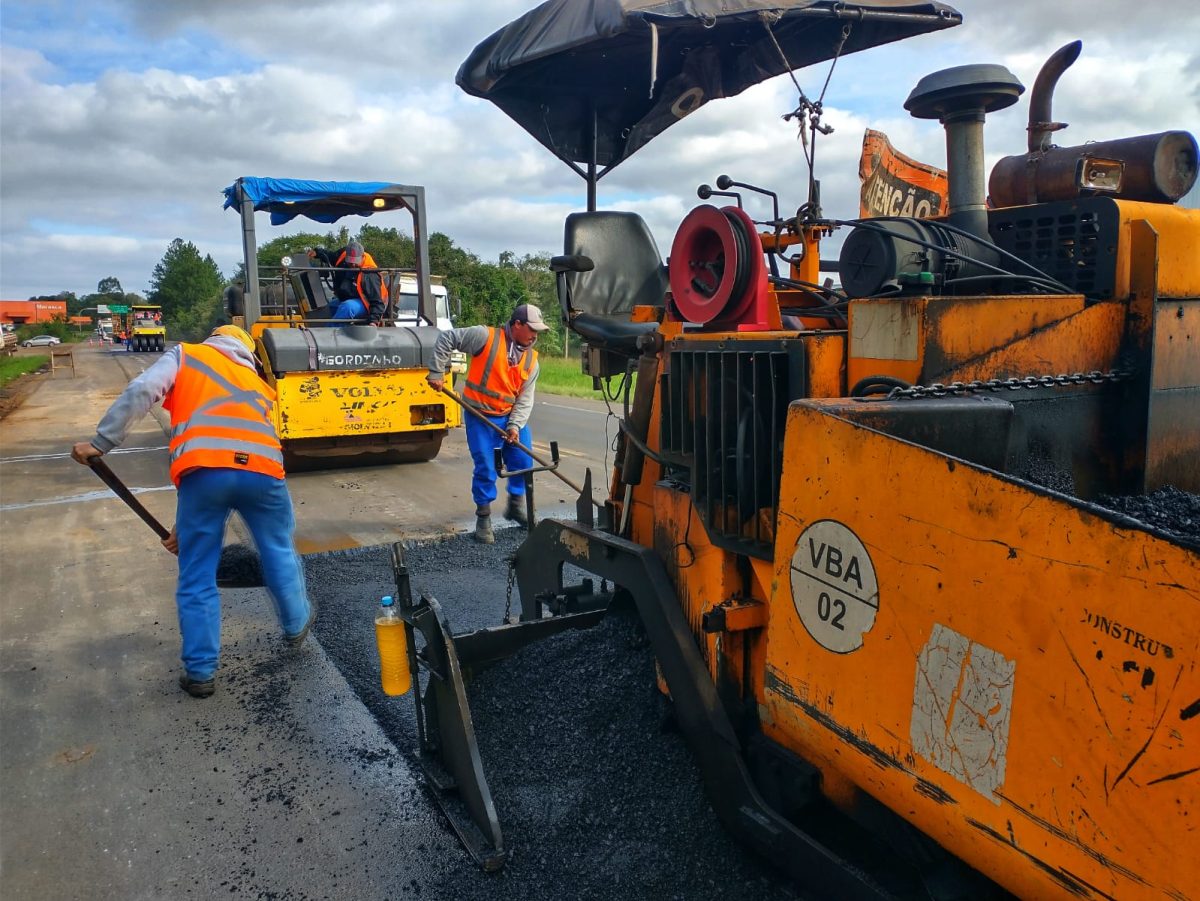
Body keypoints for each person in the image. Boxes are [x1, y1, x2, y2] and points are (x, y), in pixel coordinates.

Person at [70, 324, 314, 699]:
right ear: (247, 350)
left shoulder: (189, 354)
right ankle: (297, 625)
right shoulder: (258, 383)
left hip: (205, 474)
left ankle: (200, 672)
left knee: (198, 571)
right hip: (265, 475)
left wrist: (102, 442)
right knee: (278, 548)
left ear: (214, 338)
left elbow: (143, 389)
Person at [426, 303, 550, 543]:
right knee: (486, 466)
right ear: (517, 325)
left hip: (509, 416)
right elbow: (447, 338)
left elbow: (524, 400)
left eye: (538, 330)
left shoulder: (532, 361)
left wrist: (514, 427)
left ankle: (515, 505)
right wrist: (436, 372)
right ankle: (483, 517)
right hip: (480, 416)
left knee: (523, 460)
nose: (535, 335)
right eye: (532, 329)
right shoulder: (485, 337)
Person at [309, 240, 387, 322]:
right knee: (332, 305)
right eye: (350, 261)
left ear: (362, 257)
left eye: (355, 261)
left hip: (367, 302)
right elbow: (331, 256)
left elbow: (377, 301)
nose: (353, 265)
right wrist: (317, 253)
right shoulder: (342, 257)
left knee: (347, 307)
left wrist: (374, 321)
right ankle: (340, 329)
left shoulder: (370, 274)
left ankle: (331, 332)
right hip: (350, 298)